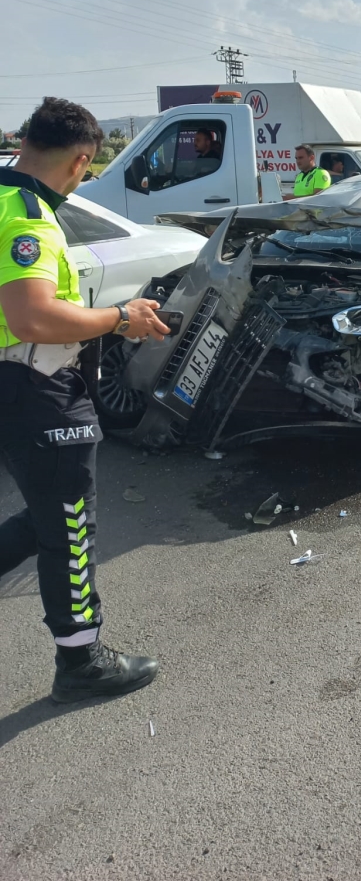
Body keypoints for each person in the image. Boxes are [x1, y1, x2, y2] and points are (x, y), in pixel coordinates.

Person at [0, 97, 170, 702]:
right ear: (79, 162)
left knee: (48, 510)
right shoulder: (27, 217)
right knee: (71, 523)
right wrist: (120, 316)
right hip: (38, 387)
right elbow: (32, 316)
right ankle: (81, 660)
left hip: (16, 387)